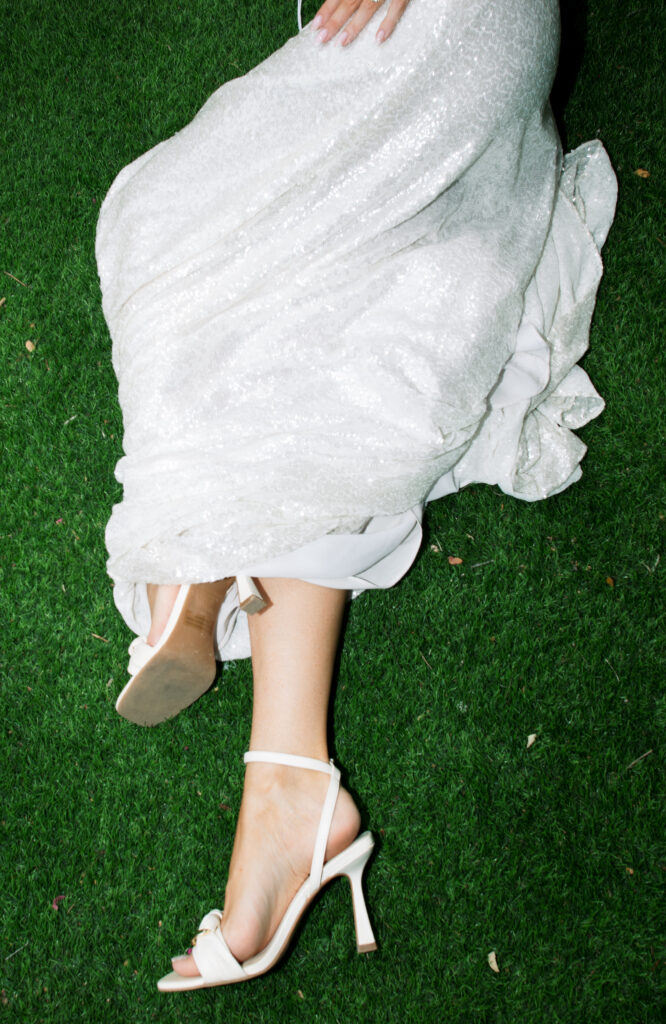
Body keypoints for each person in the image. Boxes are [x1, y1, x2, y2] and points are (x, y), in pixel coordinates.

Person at [96, 0, 617, 991]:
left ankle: (199, 561)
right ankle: (286, 779)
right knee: (170, 220)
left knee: (357, 310)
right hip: (347, 57)